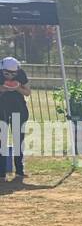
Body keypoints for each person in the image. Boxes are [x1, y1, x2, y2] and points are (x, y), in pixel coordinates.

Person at [0, 56, 31, 184]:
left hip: (19, 110)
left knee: (19, 140)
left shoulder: (22, 74)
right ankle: (1, 173)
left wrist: (17, 87)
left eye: (13, 73)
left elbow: (27, 92)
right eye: (6, 73)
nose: (10, 76)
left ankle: (19, 171)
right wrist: (4, 88)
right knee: (2, 141)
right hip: (2, 110)